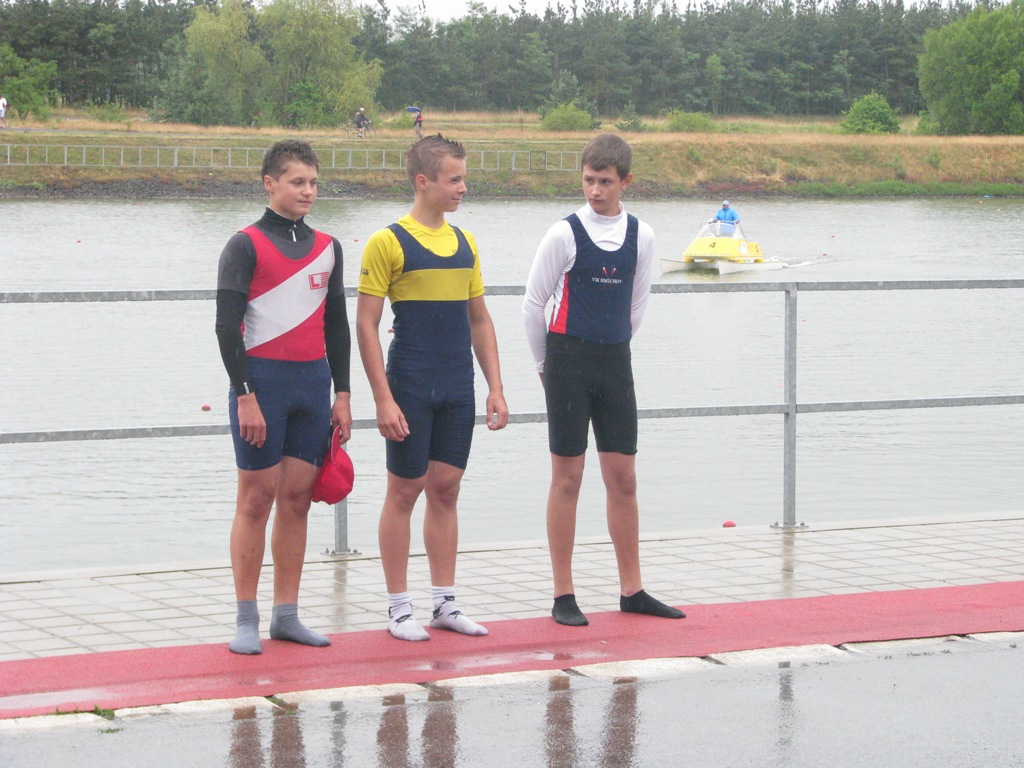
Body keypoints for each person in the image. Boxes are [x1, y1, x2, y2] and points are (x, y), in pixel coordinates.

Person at [522, 133, 686, 628]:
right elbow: (533, 305)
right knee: (567, 478)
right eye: (589, 181)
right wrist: (544, 368)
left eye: (606, 182)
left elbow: (636, 306)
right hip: (566, 362)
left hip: (615, 362)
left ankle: (632, 589)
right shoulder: (564, 234)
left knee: (624, 479)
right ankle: (563, 592)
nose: (595, 191)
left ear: (626, 181)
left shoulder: (643, 235)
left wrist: (612, 349)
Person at [356, 133, 508, 642]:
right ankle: (399, 609)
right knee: (404, 490)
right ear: (423, 182)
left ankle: (444, 604)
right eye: (454, 179)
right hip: (411, 382)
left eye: (464, 178)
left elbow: (480, 320)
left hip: (457, 383)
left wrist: (495, 387)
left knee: (446, 488)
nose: (463, 188)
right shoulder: (388, 242)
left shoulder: (466, 243)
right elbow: (366, 325)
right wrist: (382, 398)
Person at [215, 139, 352, 655]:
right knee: (256, 500)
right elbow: (226, 327)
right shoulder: (244, 245)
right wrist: (244, 395)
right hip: (262, 387)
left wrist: (342, 393)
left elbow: (336, 326)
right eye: (298, 182)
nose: (308, 191)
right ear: (269, 183)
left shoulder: (329, 247)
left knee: (297, 500)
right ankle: (246, 618)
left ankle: (287, 615)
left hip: (312, 387)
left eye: (314, 183)